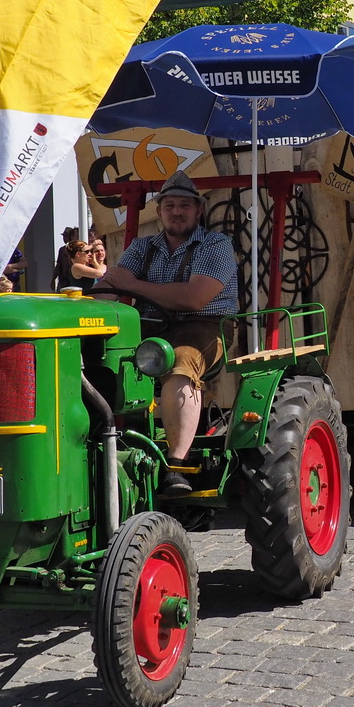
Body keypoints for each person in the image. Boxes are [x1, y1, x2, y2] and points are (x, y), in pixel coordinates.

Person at [99, 171, 238, 497]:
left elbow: (194, 297)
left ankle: (177, 466)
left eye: (185, 205)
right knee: (98, 361)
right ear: (159, 211)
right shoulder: (142, 247)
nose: (177, 212)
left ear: (198, 210)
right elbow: (111, 284)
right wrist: (88, 299)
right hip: (150, 327)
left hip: (204, 326)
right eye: (170, 205)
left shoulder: (216, 245)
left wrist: (130, 285)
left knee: (178, 366)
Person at [53, 227, 82, 291]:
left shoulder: (81, 250)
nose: (64, 238)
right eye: (64, 236)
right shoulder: (62, 250)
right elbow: (58, 265)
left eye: (66, 236)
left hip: (75, 280)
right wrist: (53, 279)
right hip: (63, 281)